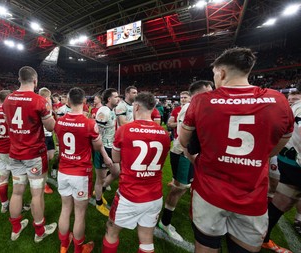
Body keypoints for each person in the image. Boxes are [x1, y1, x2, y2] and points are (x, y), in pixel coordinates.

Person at [179, 47, 294, 253]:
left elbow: (184, 140)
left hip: (210, 191)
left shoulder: (202, 101)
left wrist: (197, 157)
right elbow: (277, 145)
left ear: (221, 72)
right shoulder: (278, 101)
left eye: (214, 74)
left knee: (206, 246)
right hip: (252, 194)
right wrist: (257, 157)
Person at [102, 92, 170, 253]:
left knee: (111, 231)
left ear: (137, 106)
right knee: (147, 239)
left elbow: (116, 158)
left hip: (129, 194)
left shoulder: (125, 129)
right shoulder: (164, 134)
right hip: (154, 196)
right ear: (153, 108)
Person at [2, 66, 57, 242]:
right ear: (35, 81)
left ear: (19, 79)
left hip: (15, 153)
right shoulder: (39, 100)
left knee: (17, 192)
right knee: (36, 194)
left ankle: (15, 229)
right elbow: (50, 127)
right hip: (34, 155)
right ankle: (39, 231)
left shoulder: (8, 99)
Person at [55, 87, 112, 253]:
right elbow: (96, 147)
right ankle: (78, 249)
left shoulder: (59, 121)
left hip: (64, 171)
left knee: (65, 209)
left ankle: (64, 245)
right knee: (79, 214)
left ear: (68, 101)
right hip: (81, 174)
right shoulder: (89, 123)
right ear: (84, 102)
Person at [158, 80, 213, 242]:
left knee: (184, 185)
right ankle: (165, 222)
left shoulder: (199, 106)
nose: (212, 92)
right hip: (184, 153)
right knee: (179, 188)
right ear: (199, 92)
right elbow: (184, 139)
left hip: (189, 153)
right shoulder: (190, 107)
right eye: (209, 90)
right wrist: (194, 158)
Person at [261, 90, 301, 252]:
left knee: (283, 200)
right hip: (294, 162)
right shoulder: (297, 108)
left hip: (289, 161)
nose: (291, 101)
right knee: (281, 198)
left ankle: (262, 236)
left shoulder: (294, 108)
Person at [94, 88, 120, 217]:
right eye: (115, 97)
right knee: (100, 179)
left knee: (116, 172)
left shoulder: (111, 110)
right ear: (109, 99)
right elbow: (97, 136)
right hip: (103, 148)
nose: (118, 98)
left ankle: (99, 191)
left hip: (111, 147)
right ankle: (98, 203)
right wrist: (104, 155)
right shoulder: (103, 112)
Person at [39, 87, 57, 194]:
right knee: (44, 159)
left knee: (50, 156)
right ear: (46, 97)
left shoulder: (48, 105)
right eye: (49, 97)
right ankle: (44, 183)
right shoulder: (40, 105)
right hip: (42, 136)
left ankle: (42, 175)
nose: (50, 99)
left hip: (49, 135)